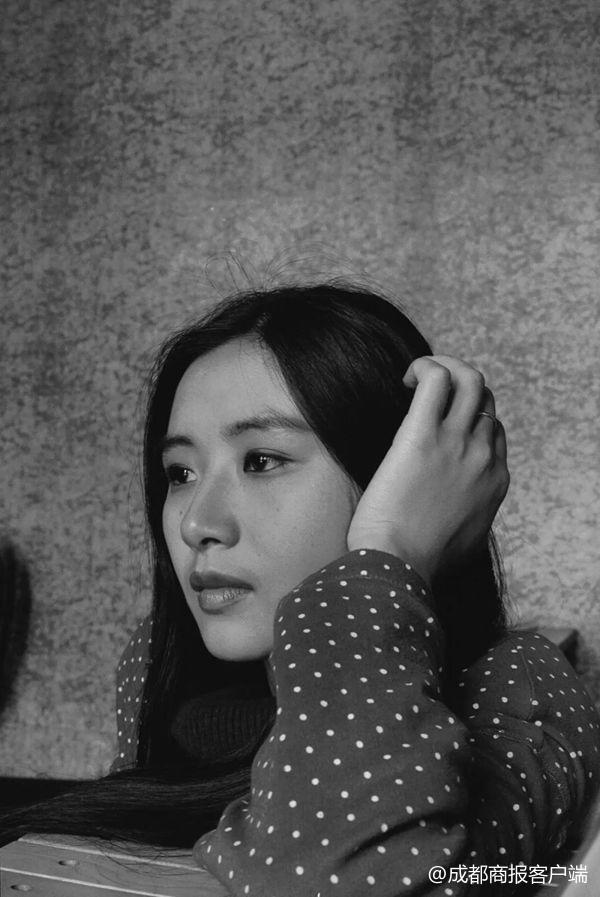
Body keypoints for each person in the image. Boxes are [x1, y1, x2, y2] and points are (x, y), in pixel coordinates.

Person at [2, 284, 599, 897]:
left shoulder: (520, 689)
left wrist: (389, 551)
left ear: (397, 477)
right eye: (180, 473)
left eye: (261, 461)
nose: (196, 523)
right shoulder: (159, 661)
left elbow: (344, 881)